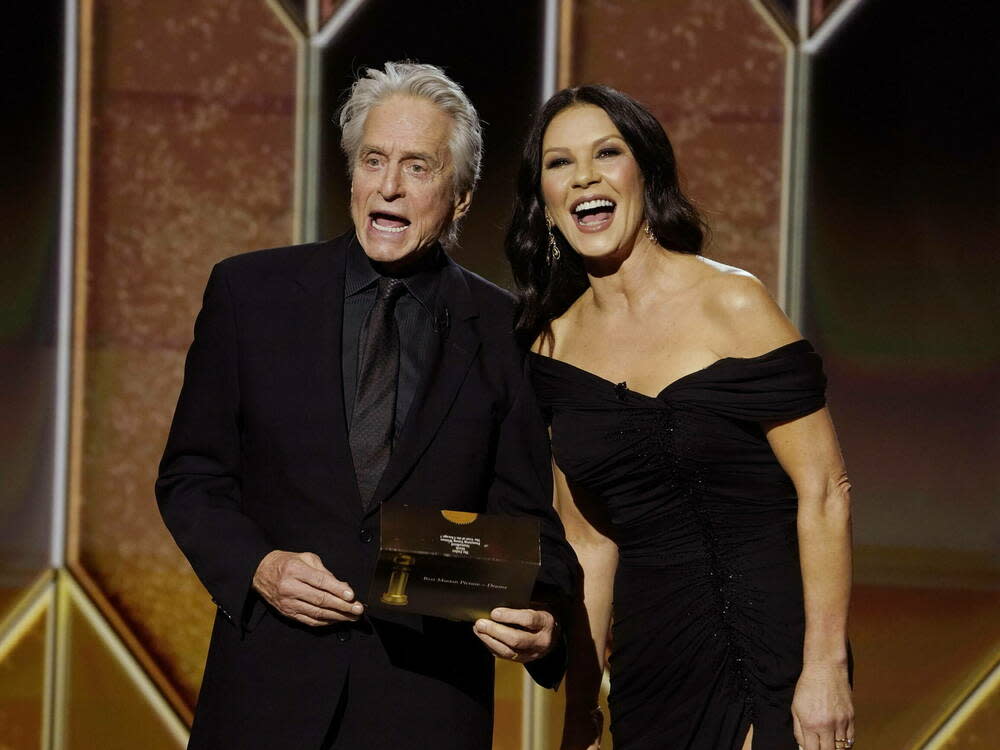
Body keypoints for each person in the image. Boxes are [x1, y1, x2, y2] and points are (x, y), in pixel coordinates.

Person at [156, 61, 577, 750]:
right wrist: (259, 566)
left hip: (426, 707)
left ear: (462, 194)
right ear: (352, 175)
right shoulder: (248, 294)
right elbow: (192, 477)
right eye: (374, 160)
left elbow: (529, 527)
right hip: (266, 699)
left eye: (418, 166)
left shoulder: (507, 331)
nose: (389, 186)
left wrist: (542, 613)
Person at [505, 85, 854, 750]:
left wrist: (826, 667)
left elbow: (826, 493)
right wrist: (580, 710)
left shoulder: (734, 304)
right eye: (558, 163)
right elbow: (590, 545)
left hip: (774, 647)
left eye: (606, 153)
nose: (583, 176)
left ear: (645, 172)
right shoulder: (550, 350)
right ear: (544, 203)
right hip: (653, 665)